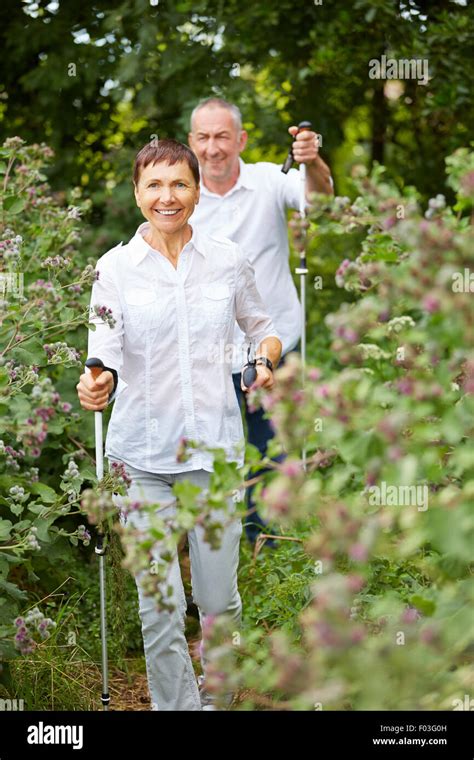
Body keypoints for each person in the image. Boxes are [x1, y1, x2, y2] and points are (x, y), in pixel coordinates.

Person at [76, 138, 282, 710]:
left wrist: (264, 358)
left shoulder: (227, 259)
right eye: (155, 185)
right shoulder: (114, 269)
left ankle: (217, 700)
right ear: (138, 192)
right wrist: (96, 383)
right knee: (159, 602)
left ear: (196, 191)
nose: (168, 197)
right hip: (139, 457)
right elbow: (103, 353)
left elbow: (262, 325)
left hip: (213, 454)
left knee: (219, 602)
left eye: (180, 184)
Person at [188, 98, 333, 544]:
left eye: (222, 136)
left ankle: (270, 553)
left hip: (275, 345)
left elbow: (321, 200)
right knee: (215, 457)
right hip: (208, 353)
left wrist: (313, 162)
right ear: (192, 142)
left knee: (275, 452)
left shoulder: (273, 178)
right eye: (203, 137)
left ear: (241, 140)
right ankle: (218, 547)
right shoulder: (182, 194)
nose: (213, 148)